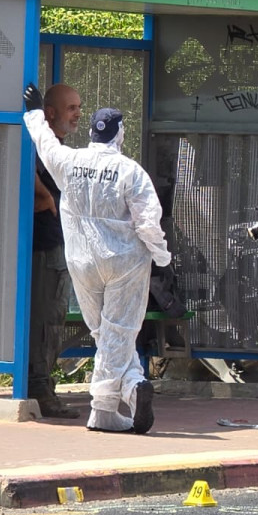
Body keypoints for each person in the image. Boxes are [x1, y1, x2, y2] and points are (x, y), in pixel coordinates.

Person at [22, 86, 170, 434]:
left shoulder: (70, 161)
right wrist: (161, 255)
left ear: (91, 131)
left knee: (106, 333)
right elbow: (149, 220)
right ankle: (126, 391)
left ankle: (108, 408)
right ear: (120, 134)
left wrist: (32, 113)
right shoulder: (130, 171)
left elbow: (45, 143)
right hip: (126, 264)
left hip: (81, 261)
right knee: (119, 332)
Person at [28, 84, 83, 419]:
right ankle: (39, 387)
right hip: (45, 246)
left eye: (78, 107)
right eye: (71, 108)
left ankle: (41, 383)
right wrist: (46, 198)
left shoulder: (55, 145)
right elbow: (27, 168)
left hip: (58, 244)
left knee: (54, 317)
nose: (77, 114)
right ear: (49, 112)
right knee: (47, 319)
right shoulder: (39, 143)